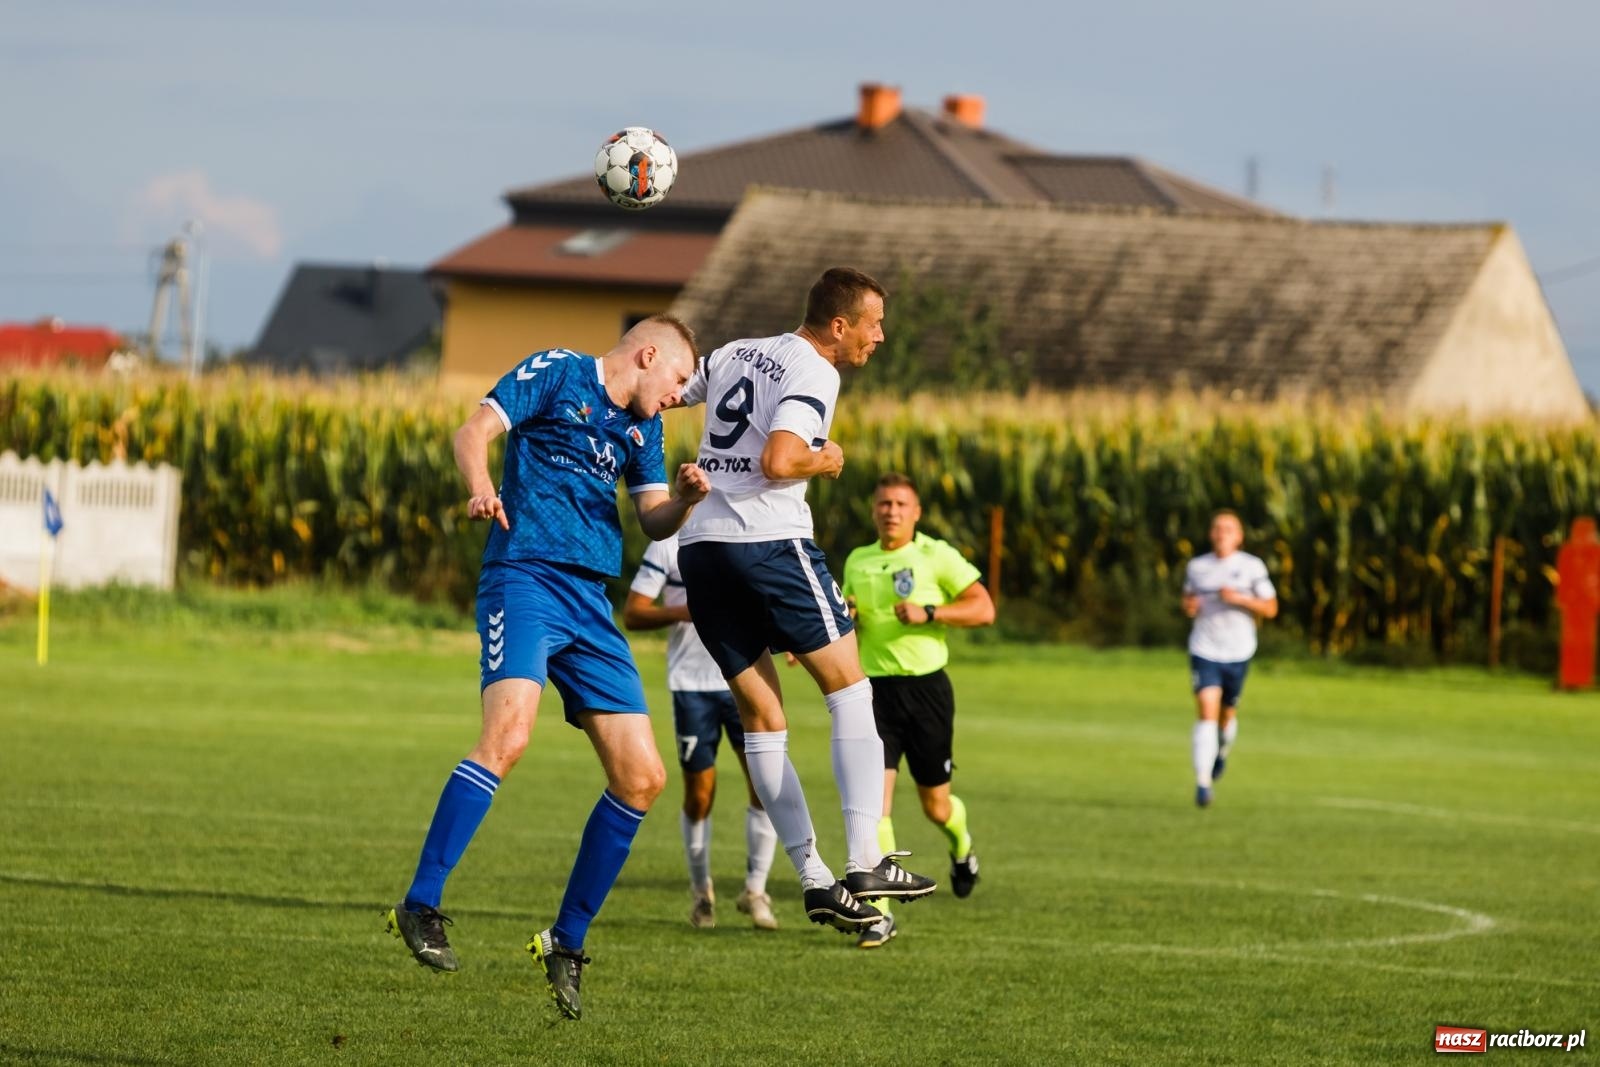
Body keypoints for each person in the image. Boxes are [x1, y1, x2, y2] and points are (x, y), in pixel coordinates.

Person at [384, 316, 709, 1022]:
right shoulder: (557, 371)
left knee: (644, 777)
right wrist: (479, 485)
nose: (683, 394)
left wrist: (683, 496)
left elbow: (653, 518)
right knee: (508, 737)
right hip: (525, 577)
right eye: (681, 378)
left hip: (591, 601)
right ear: (649, 354)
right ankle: (420, 903)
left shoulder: (642, 427)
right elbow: (473, 432)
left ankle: (565, 940)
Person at [675, 266, 938, 933]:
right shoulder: (818, 371)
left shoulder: (734, 350)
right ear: (840, 325)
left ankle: (815, 879)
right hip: (769, 542)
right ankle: (865, 860)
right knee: (851, 689)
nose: (880, 337)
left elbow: (670, 392)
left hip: (703, 547)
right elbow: (780, 460)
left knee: (762, 715)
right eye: (873, 324)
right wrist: (827, 458)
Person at [840, 473, 996, 948]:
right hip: (875, 696)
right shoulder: (858, 560)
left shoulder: (935, 555)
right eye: (884, 503)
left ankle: (963, 850)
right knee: (875, 805)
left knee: (937, 806)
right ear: (874, 511)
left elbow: (983, 608)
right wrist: (843, 619)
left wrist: (931, 612)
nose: (891, 511)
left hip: (927, 693)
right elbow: (852, 615)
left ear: (916, 512)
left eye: (900, 504)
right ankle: (880, 914)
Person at [622, 531, 781, 931]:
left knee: (766, 785)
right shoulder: (668, 545)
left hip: (746, 680)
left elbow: (768, 598)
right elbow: (634, 612)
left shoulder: (747, 532)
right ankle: (701, 894)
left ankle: (755, 891)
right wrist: (683, 611)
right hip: (692, 687)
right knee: (699, 795)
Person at [1181, 509, 1278, 808]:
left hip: (1238, 651)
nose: (1221, 533)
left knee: (1226, 716)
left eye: (1228, 529)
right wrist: (1190, 606)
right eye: (1217, 528)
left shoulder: (1251, 567)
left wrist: (1239, 599)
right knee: (1206, 709)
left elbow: (1271, 608)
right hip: (1204, 649)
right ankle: (1202, 782)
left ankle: (1220, 753)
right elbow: (1187, 602)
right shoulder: (1197, 567)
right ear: (1211, 534)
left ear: (1239, 536)